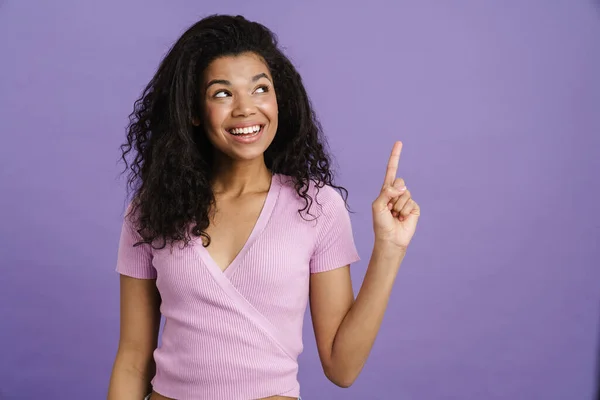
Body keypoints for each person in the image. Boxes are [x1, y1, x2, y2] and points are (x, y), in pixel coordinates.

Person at [107, 14, 420, 400]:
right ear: (192, 111)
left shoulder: (316, 207)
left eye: (260, 89)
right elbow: (133, 360)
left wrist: (390, 250)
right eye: (222, 93)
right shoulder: (151, 210)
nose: (245, 109)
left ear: (278, 99)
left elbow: (342, 367)